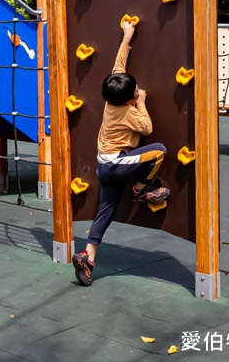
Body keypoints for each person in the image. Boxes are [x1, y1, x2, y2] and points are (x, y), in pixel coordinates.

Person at [72, 21, 168, 287]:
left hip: (105, 163)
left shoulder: (110, 98)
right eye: (135, 90)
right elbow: (148, 127)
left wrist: (127, 37)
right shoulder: (128, 111)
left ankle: (88, 257)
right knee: (159, 152)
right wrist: (142, 103)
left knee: (107, 209)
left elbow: (118, 67)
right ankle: (139, 188)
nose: (137, 89)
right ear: (129, 98)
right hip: (116, 163)